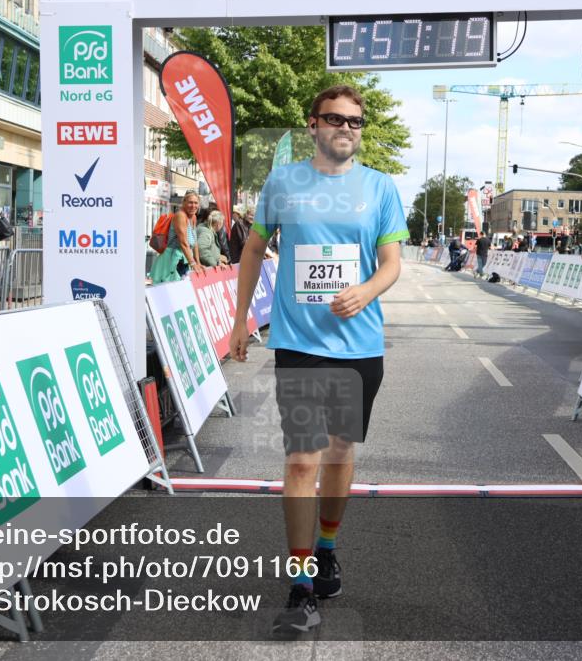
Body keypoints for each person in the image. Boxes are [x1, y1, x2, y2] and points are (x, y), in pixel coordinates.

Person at [228, 84, 407, 638]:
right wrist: (240, 320)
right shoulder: (283, 182)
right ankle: (301, 584)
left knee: (339, 454)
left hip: (358, 347)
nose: (346, 128)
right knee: (303, 461)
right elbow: (255, 247)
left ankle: (327, 546)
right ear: (313, 124)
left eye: (355, 121)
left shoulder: (379, 187)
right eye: (335, 119)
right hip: (300, 345)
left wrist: (367, 290)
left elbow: (392, 262)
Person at [150, 190, 202, 283]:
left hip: (185, 259)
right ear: (184, 202)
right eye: (190, 202)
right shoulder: (180, 216)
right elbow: (183, 243)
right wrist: (193, 263)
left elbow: (195, 242)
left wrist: (198, 262)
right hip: (172, 260)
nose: (193, 206)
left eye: (196, 203)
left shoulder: (193, 217)